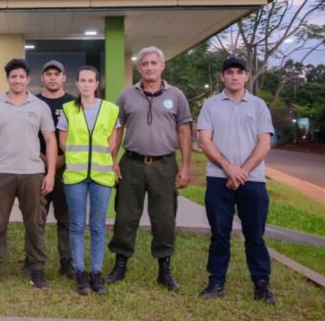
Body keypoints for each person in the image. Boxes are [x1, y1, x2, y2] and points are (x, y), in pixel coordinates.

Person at [106, 46, 191, 291]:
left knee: (164, 218)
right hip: (131, 163)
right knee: (125, 215)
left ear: (162, 65)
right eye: (145, 64)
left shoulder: (176, 96)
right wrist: (113, 160)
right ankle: (120, 265)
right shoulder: (127, 95)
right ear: (139, 68)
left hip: (164, 165)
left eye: (154, 63)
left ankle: (164, 269)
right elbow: (117, 129)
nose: (149, 67)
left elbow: (184, 131)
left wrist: (185, 166)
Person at [197, 57, 276, 304]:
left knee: (255, 235)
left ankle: (261, 283)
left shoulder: (258, 106)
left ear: (246, 76)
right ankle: (216, 282)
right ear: (223, 77)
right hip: (218, 179)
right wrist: (229, 168)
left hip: (253, 181)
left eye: (239, 72)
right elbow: (205, 141)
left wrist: (242, 171)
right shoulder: (210, 105)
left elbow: (264, 143)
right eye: (229, 72)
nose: (234, 76)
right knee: (219, 234)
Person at [0, 58, 57, 290]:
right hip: (0, 172)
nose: (18, 80)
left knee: (35, 222)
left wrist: (50, 174)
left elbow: (51, 141)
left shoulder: (40, 106)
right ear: (8, 79)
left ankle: (36, 269)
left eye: (21, 77)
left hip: (33, 173)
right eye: (13, 77)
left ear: (28, 79)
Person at [57, 66, 120, 295]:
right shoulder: (68, 109)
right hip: (75, 176)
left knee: (98, 226)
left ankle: (96, 273)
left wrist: (102, 157)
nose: (86, 84)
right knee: (76, 225)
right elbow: (63, 141)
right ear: (77, 83)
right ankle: (81, 273)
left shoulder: (111, 109)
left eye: (90, 80)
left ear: (97, 84)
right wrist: (77, 156)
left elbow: (113, 140)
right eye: (82, 80)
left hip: (101, 176)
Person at [32, 60, 75, 279]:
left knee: (66, 218)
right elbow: (27, 135)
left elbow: (79, 136)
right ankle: (34, 261)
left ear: (64, 78)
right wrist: (46, 160)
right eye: (48, 73)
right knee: (36, 218)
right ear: (42, 78)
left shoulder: (74, 104)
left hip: (67, 168)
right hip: (37, 168)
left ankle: (67, 262)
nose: (52, 77)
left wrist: (61, 159)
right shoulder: (33, 102)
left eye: (56, 74)